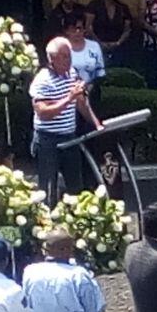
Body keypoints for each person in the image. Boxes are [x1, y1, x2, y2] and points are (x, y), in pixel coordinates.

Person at [30, 36, 103, 204]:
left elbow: (81, 103)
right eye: (64, 56)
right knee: (48, 188)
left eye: (69, 55)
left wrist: (96, 123)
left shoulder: (72, 73)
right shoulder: (42, 80)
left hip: (69, 137)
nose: (68, 60)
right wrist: (69, 98)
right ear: (52, 59)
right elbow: (44, 113)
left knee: (75, 187)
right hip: (48, 140)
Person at [62, 13, 107, 86]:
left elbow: (100, 72)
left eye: (80, 28)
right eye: (73, 29)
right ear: (66, 31)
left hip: (92, 89)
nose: (77, 32)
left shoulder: (94, 46)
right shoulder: (61, 47)